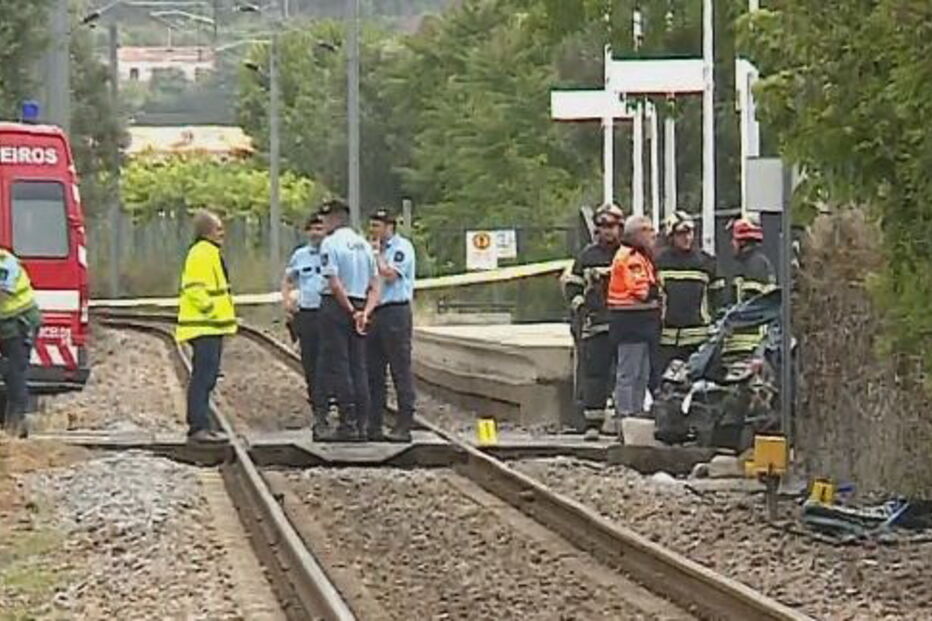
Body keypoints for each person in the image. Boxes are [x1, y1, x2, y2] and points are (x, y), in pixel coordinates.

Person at [317, 198, 380, 441]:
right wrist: (365, 312)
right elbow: (375, 284)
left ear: (335, 218)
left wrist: (350, 310)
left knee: (339, 364)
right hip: (362, 304)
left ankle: (348, 422)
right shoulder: (364, 245)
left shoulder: (330, 244)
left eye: (326, 219)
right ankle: (362, 422)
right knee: (359, 364)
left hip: (338, 308)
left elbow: (334, 283)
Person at [563, 203, 624, 440]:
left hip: (623, 322)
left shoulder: (627, 255)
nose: (607, 231)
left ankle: (622, 421)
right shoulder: (588, 256)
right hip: (596, 324)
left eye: (612, 226)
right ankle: (592, 424)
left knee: (624, 374)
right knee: (595, 374)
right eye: (602, 226)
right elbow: (572, 285)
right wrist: (581, 307)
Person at [176, 210, 237, 444]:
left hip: (211, 326)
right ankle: (198, 426)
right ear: (206, 231)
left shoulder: (208, 252)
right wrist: (212, 310)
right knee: (203, 377)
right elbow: (195, 288)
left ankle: (203, 425)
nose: (222, 233)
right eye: (218, 228)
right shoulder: (201, 253)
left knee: (207, 377)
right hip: (204, 326)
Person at [606, 215, 661, 436]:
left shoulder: (641, 256)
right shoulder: (632, 258)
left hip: (640, 324)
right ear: (637, 234)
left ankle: (635, 415)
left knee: (641, 373)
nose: (653, 235)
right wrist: (657, 292)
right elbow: (642, 291)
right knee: (629, 373)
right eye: (648, 231)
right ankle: (626, 416)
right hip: (631, 323)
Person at [366, 209, 417, 442]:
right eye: (372, 225)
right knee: (373, 370)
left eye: (378, 225)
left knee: (399, 368)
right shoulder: (372, 250)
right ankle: (373, 422)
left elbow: (390, 275)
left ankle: (405, 422)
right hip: (375, 311)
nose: (374, 230)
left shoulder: (401, 248)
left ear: (390, 227)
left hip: (395, 311)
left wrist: (376, 254)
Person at [654, 211, 724, 380]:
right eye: (681, 233)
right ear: (671, 236)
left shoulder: (706, 263)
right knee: (666, 388)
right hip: (668, 341)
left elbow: (719, 299)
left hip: (698, 338)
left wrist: (714, 326)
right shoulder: (658, 263)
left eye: (690, 232)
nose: (687, 238)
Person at [282, 213, 328, 435]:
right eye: (313, 229)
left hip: (329, 314)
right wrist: (287, 302)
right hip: (307, 315)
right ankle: (319, 411)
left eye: (320, 228)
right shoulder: (300, 256)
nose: (316, 233)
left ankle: (333, 407)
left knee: (330, 363)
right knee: (310, 363)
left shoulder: (333, 252)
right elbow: (289, 279)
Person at [0, 248, 41, 438]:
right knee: (9, 372)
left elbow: (3, 293)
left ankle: (17, 425)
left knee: (16, 372)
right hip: (6, 323)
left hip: (19, 323)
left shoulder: (4, 263)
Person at [723, 217, 776, 359]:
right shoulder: (753, 263)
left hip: (748, 345)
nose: (731, 244)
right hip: (743, 344)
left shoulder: (754, 265)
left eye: (734, 240)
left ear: (743, 242)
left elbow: (752, 305)